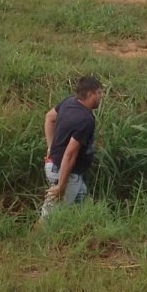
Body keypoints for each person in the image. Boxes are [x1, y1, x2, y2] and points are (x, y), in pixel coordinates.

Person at [41, 75, 103, 218]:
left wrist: (50, 147)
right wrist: (61, 186)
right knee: (50, 217)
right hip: (65, 173)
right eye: (99, 93)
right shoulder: (85, 120)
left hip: (56, 166)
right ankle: (40, 231)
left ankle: (79, 229)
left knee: (81, 206)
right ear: (90, 94)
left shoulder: (69, 102)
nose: (101, 96)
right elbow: (70, 154)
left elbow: (49, 117)